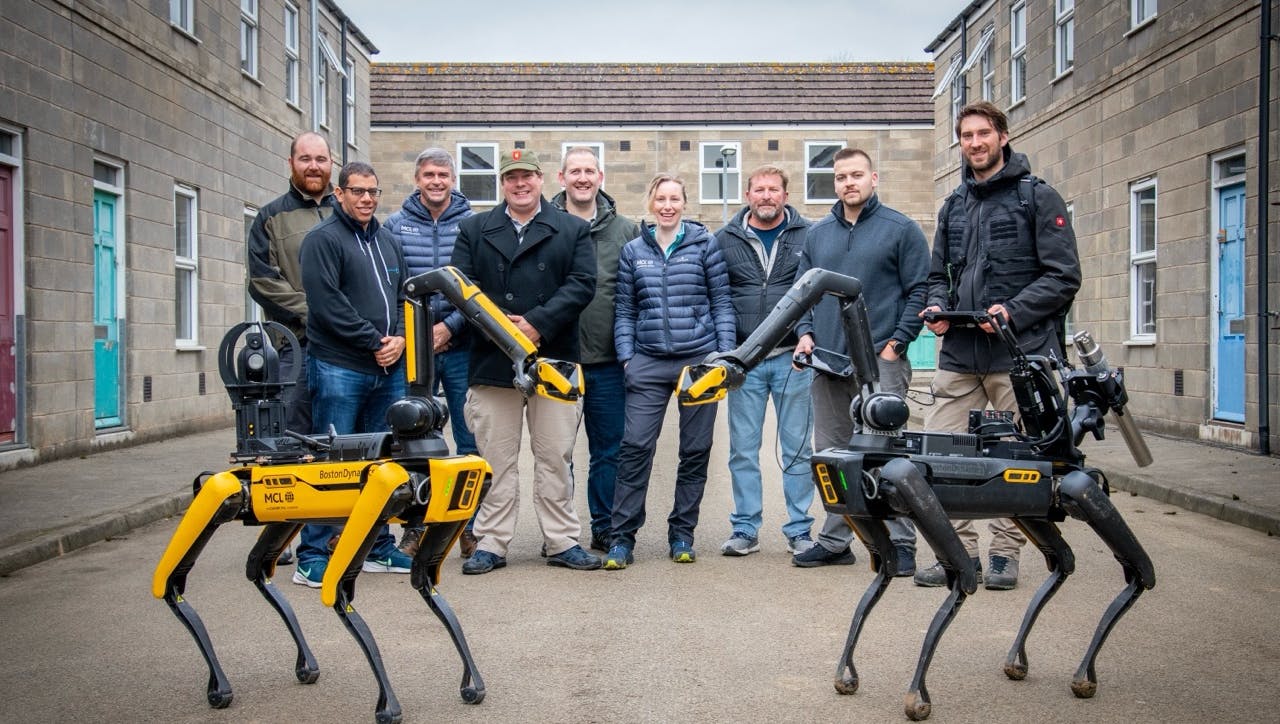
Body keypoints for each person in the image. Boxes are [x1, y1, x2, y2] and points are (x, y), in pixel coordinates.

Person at [916, 101, 1081, 591]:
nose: (975, 143)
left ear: (1003, 136)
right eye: (966, 135)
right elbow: (936, 276)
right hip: (960, 356)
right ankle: (959, 552)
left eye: (983, 133)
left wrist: (1013, 311)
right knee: (939, 456)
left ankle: (1005, 553)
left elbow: (1063, 277)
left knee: (1017, 460)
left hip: (1020, 355)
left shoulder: (1038, 198)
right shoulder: (953, 205)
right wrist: (937, 309)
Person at [450, 148, 600, 575]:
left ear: (541, 180)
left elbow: (583, 284)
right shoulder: (474, 228)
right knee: (496, 458)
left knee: (555, 455)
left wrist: (536, 323)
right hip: (492, 360)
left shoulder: (571, 229)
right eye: (511, 177)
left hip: (553, 356)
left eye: (527, 176)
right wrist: (505, 329)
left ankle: (562, 540)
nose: (520, 184)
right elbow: (462, 288)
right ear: (502, 183)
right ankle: (492, 542)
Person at [791, 148, 930, 573]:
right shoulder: (817, 235)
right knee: (833, 455)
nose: (848, 183)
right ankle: (836, 540)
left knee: (888, 454)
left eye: (856, 175)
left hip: (881, 360)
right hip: (829, 362)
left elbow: (920, 291)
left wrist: (897, 345)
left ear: (874, 178)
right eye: (840, 177)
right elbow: (803, 295)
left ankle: (901, 542)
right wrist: (805, 335)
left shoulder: (901, 229)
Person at [603, 174, 735, 570]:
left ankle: (682, 534)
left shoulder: (704, 244)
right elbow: (625, 310)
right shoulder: (633, 250)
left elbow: (722, 303)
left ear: (683, 203)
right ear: (651, 202)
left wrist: (723, 357)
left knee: (694, 451)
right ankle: (621, 539)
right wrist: (627, 357)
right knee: (635, 448)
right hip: (647, 362)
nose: (667, 205)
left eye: (674, 198)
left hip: (699, 362)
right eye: (660, 198)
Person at [292, 160, 413, 587]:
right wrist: (374, 341)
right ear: (339, 193)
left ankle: (378, 547)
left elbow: (402, 298)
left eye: (373, 192)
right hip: (339, 368)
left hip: (387, 369)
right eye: (358, 191)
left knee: (379, 463)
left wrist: (399, 337)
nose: (366, 199)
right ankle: (311, 555)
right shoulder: (322, 241)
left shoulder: (387, 240)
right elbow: (326, 304)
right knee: (331, 464)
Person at [715, 165, 816, 557]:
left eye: (774, 190)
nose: (767, 196)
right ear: (747, 195)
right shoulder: (724, 238)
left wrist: (812, 337)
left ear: (785, 196)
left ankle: (799, 529)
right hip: (746, 362)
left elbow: (815, 292)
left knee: (797, 448)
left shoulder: (809, 236)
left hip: (795, 359)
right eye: (759, 189)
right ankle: (745, 528)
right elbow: (718, 296)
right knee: (743, 448)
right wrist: (728, 351)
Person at [384, 147, 479, 558]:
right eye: (428, 174)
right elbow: (391, 288)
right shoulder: (395, 225)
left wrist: (449, 326)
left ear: (453, 179)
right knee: (416, 442)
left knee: (468, 439)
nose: (436, 181)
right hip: (415, 352)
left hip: (461, 347)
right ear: (417, 179)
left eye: (443, 174)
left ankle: (467, 527)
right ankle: (416, 528)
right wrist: (417, 333)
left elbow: (478, 288)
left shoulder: (472, 225)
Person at [247, 131, 336, 567]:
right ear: (291, 163)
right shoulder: (270, 217)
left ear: (331, 162)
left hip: (343, 349)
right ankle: (280, 533)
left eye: (321, 158)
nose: (314, 166)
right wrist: (318, 312)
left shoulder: (347, 211)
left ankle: (329, 533)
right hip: (294, 346)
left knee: (338, 438)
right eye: (306, 158)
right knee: (288, 441)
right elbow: (263, 282)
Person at [551, 147, 639, 553]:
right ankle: (561, 532)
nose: (582, 178)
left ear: (601, 177)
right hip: (558, 359)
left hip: (608, 360)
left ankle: (604, 525)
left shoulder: (626, 230)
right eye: (575, 171)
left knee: (609, 450)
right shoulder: (545, 225)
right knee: (557, 453)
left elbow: (638, 291)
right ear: (561, 177)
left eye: (589, 171)